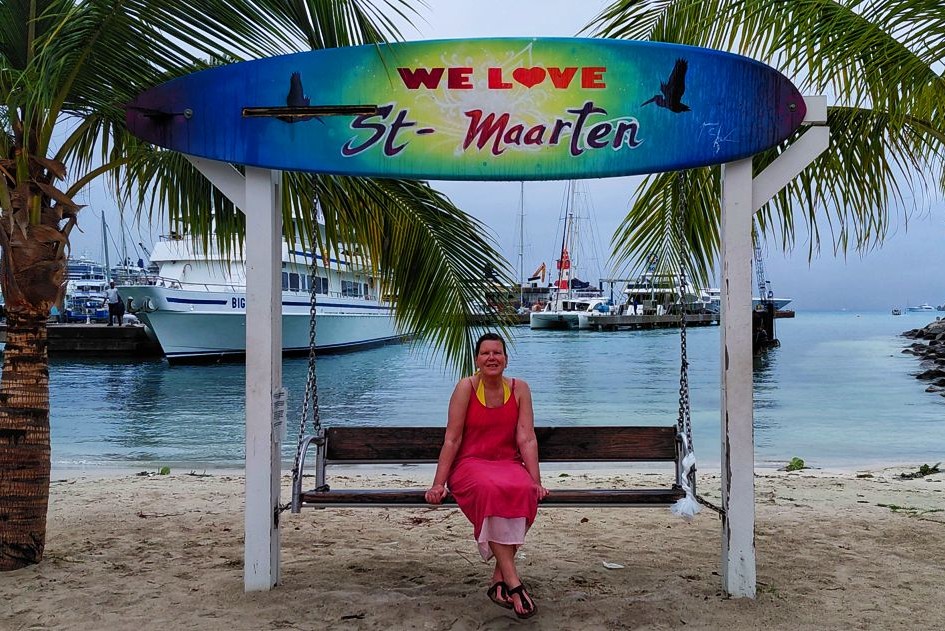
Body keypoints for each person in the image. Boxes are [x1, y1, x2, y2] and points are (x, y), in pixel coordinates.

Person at [425, 333, 549, 619]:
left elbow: (527, 439)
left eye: (497, 353)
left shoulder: (520, 389)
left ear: (505, 359)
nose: (492, 358)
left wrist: (536, 481)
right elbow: (452, 440)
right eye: (485, 353)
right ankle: (514, 583)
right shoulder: (465, 388)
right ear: (477, 360)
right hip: (470, 466)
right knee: (491, 491)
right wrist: (438, 483)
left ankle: (498, 580)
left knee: (524, 491)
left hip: (507, 463)